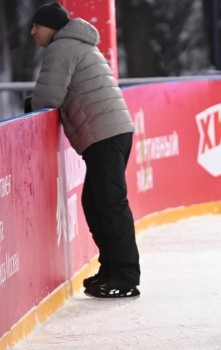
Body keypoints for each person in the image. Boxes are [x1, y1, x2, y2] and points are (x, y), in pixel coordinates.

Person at [28, 2, 140, 297]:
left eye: (38, 25)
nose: (32, 31)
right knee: (95, 201)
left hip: (104, 134)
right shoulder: (78, 44)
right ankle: (113, 268)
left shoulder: (62, 47)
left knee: (110, 203)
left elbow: (47, 97)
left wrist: (30, 104)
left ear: (52, 26)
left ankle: (126, 275)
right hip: (112, 131)